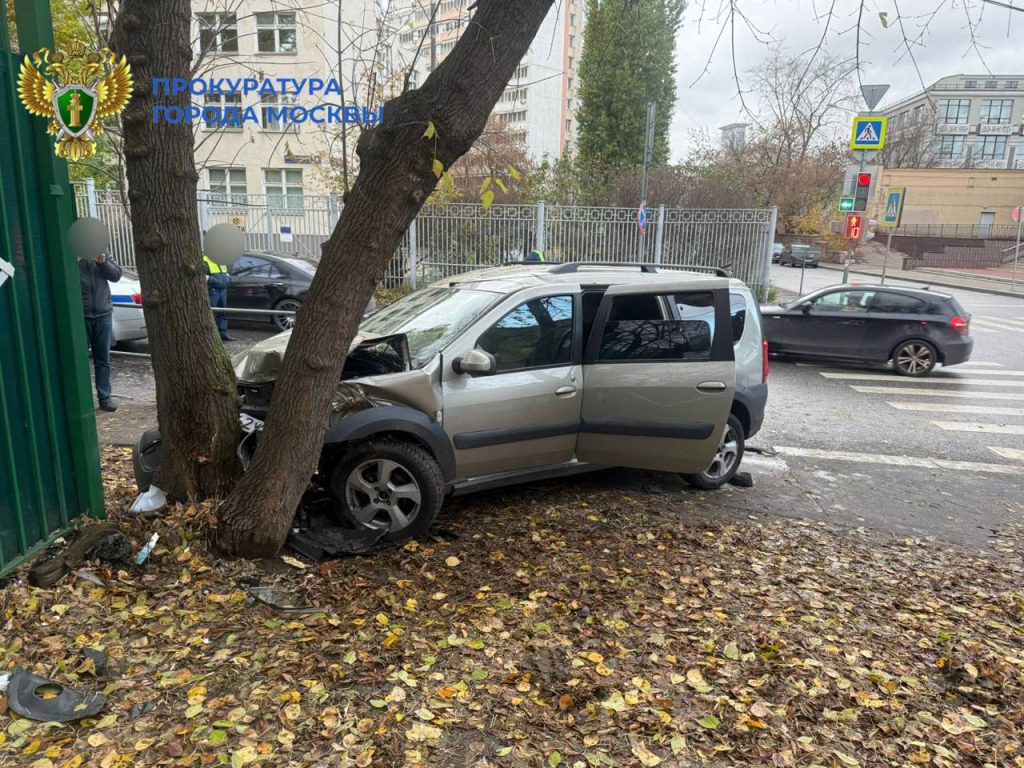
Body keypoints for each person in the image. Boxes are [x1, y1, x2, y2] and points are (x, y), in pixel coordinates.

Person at [79, 249, 121, 412]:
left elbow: (116, 275)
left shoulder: (101, 249)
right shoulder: (70, 252)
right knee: (80, 360)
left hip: (103, 314)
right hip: (80, 315)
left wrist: (102, 262)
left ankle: (105, 398)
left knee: (103, 359)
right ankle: (82, 400)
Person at [203, 253, 233, 341]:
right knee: (210, 313)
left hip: (223, 290)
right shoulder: (205, 259)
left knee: (223, 312)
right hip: (213, 290)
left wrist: (227, 278)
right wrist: (210, 279)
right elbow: (203, 275)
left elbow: (226, 272)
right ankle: (209, 335)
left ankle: (223, 334)